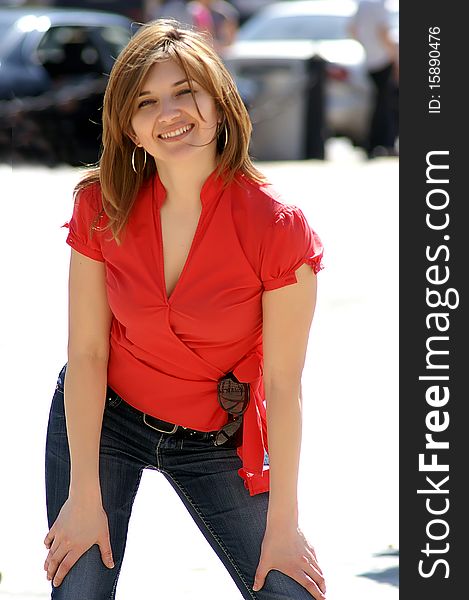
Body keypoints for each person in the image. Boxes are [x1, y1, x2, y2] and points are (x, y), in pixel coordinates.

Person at [43, 19, 326, 600]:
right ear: (129, 129)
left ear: (220, 104)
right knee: (80, 590)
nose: (169, 112)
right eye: (146, 101)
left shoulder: (277, 226)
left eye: (185, 92)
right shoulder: (99, 205)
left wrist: (285, 526)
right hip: (106, 421)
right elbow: (88, 352)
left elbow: (283, 380)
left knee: (290, 592)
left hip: (215, 437)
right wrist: (82, 498)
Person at [349, 0, 399, 158]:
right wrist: (394, 57)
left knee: (379, 102)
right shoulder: (379, 5)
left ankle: (375, 143)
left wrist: (367, 46)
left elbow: (352, 30)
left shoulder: (363, 5)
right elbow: (383, 31)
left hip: (370, 59)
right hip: (383, 59)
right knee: (386, 103)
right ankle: (385, 143)